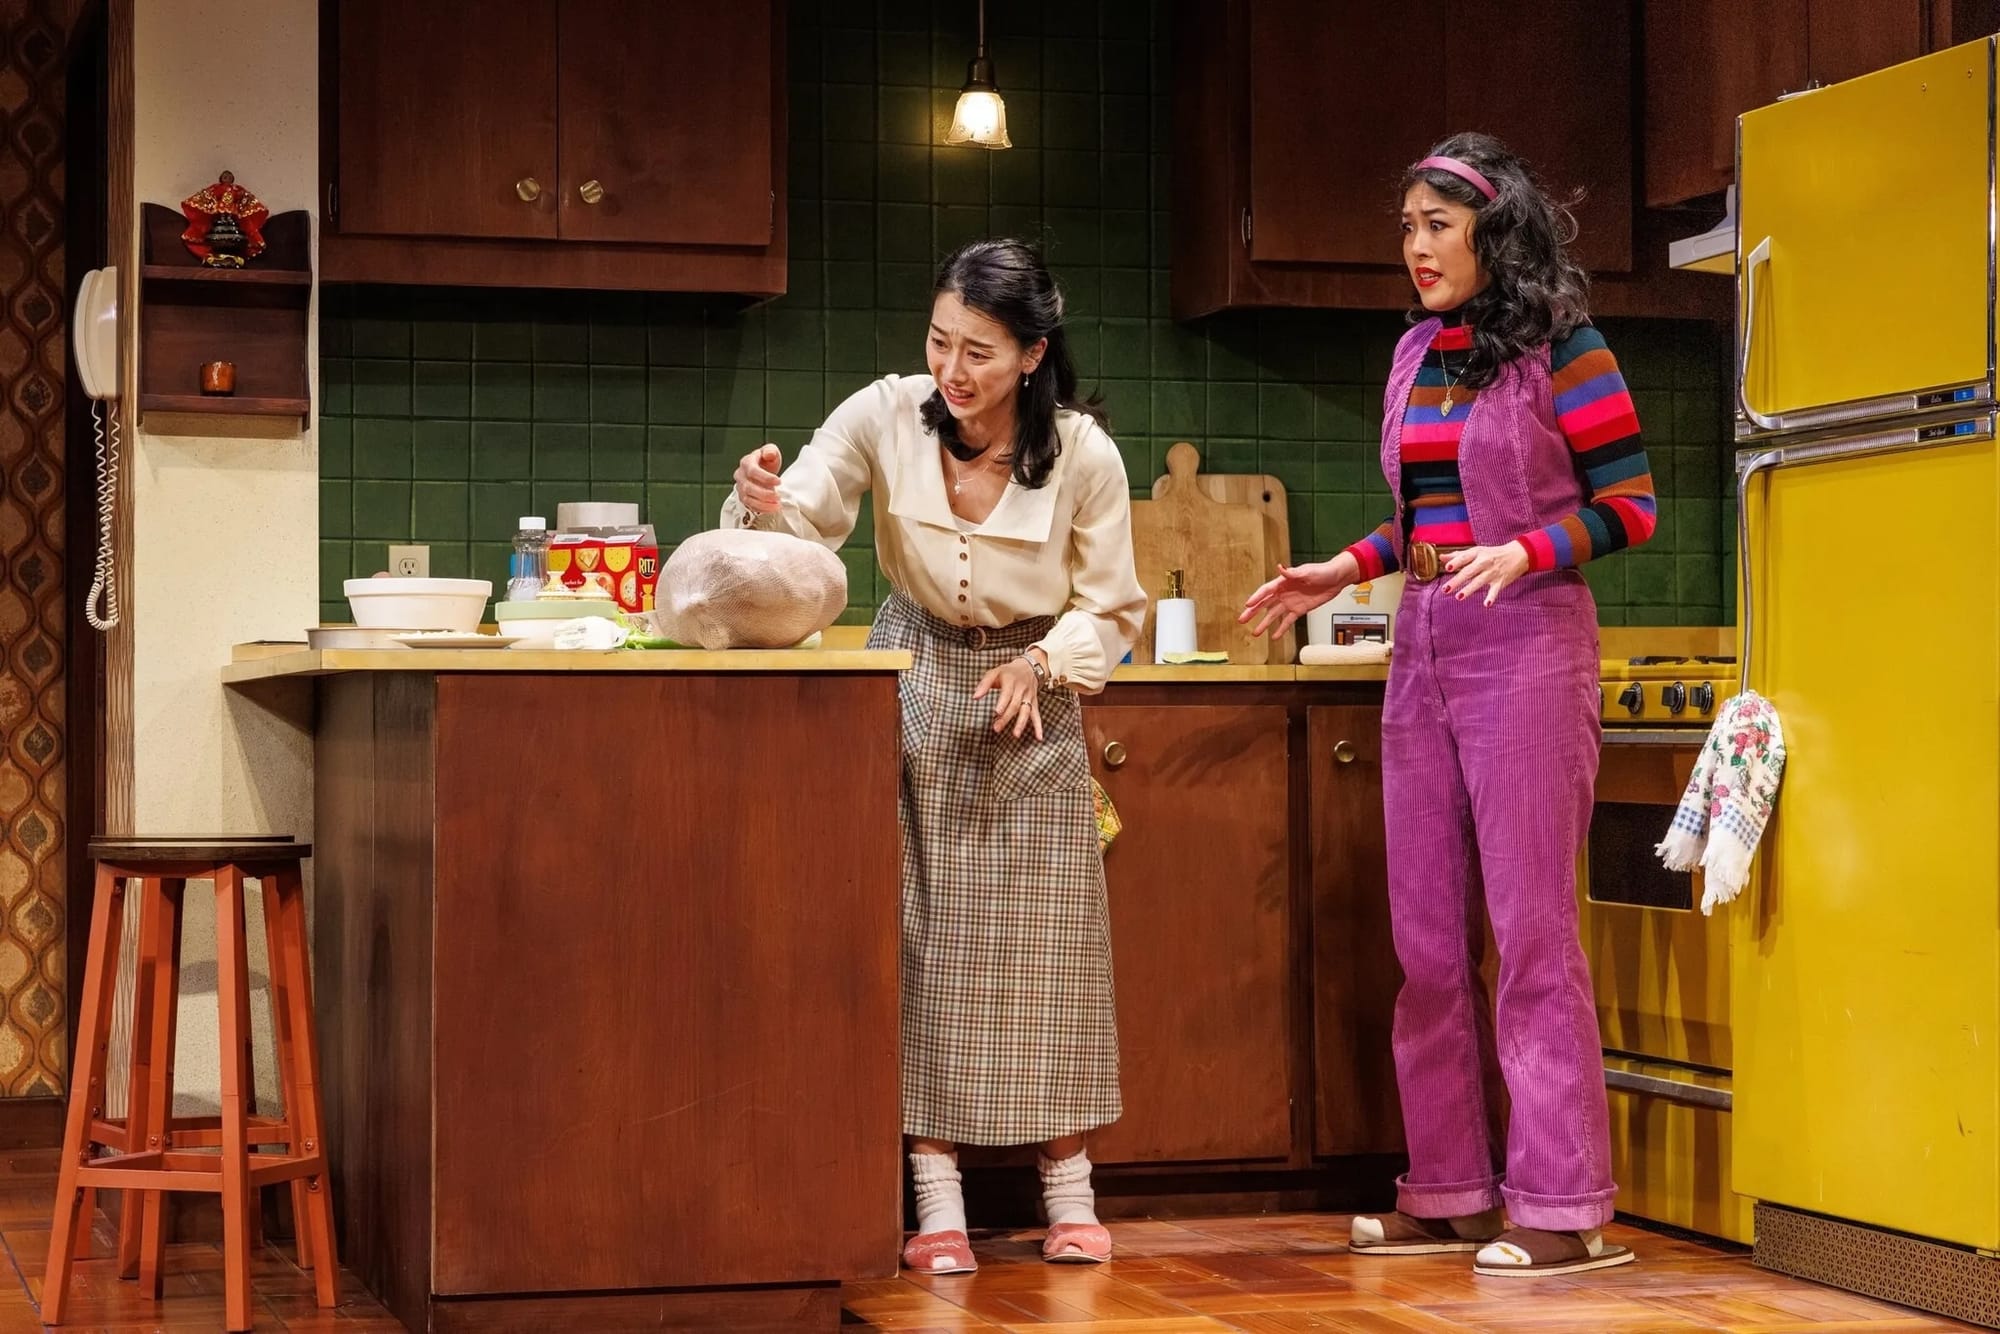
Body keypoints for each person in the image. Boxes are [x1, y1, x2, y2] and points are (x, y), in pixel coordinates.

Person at [1243, 132, 1656, 1278]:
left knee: (1530, 935)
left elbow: (1630, 506)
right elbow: (1421, 514)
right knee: (1426, 939)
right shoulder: (1417, 351)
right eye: (1407, 228)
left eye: (1435, 225)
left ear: (1492, 229)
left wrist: (1526, 551)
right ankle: (1449, 1188)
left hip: (1527, 642)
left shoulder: (1566, 349)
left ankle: (1563, 1206)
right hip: (1422, 639)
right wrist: (1347, 564)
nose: (1414, 248)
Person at [724, 239, 1145, 1275]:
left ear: (1032, 355)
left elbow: (1116, 611)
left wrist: (1042, 661)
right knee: (916, 936)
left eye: (980, 352)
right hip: (907, 680)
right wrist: (762, 497)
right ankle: (935, 1204)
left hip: (1028, 694)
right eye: (939, 341)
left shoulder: (1082, 454)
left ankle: (1068, 1193)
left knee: (1048, 946)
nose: (952, 371)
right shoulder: (884, 411)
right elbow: (801, 518)